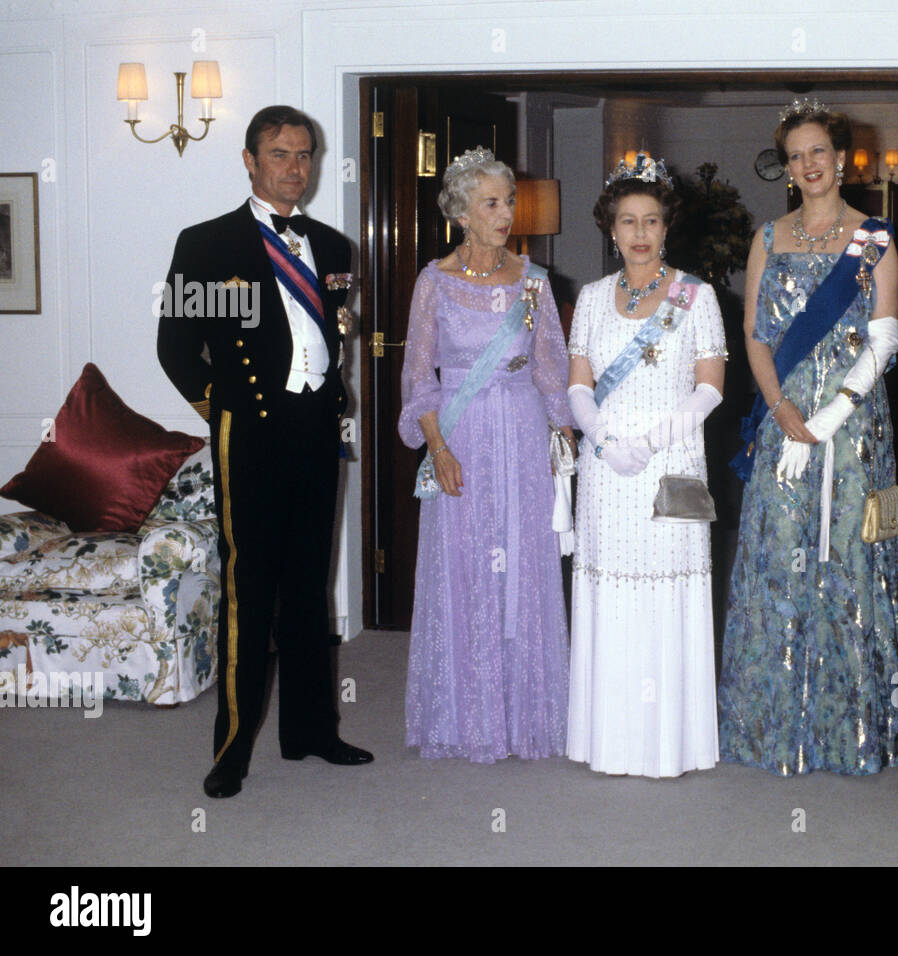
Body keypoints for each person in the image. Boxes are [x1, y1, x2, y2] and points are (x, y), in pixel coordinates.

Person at [158, 105, 370, 799]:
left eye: (305, 155)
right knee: (251, 590)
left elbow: (334, 332)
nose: (295, 168)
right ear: (250, 160)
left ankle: (311, 731)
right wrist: (226, 412)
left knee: (310, 582)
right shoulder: (207, 244)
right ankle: (233, 746)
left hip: (315, 429)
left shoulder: (335, 247)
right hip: (247, 432)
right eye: (280, 154)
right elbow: (177, 347)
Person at [717, 99, 898, 776]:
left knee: (850, 562)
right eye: (796, 156)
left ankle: (851, 729)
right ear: (787, 167)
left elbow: (884, 340)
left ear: (843, 157)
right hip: (783, 421)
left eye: (819, 151)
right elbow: (754, 335)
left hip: (853, 425)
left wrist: (826, 420)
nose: (809, 165)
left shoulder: (876, 239)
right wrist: (781, 411)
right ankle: (769, 727)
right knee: (779, 558)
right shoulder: (768, 238)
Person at [399, 147, 574, 763]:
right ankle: (466, 716)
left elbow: (551, 362)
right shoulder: (434, 281)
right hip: (463, 433)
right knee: (466, 566)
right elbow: (420, 375)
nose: (505, 214)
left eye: (510, 202)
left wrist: (563, 434)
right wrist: (438, 447)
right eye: (491, 203)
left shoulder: (533, 280)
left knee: (525, 562)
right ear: (462, 214)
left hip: (524, 431)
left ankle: (527, 716)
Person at [566, 153, 727, 777]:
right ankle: (610, 738)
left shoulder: (697, 295)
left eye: (651, 221)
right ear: (611, 228)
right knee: (611, 588)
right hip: (607, 470)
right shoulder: (590, 297)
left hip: (672, 463)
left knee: (666, 591)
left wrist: (655, 439)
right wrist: (604, 441)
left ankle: (670, 743)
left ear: (666, 228)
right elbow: (578, 385)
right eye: (628, 221)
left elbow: (710, 386)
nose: (639, 233)